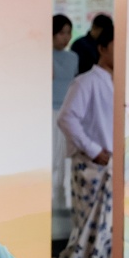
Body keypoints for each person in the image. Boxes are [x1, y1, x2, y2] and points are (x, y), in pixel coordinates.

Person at [53, 22, 114, 258]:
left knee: (115, 234)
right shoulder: (86, 81)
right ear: (102, 48)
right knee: (85, 235)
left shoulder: (125, 84)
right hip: (91, 168)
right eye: (116, 47)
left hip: (116, 169)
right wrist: (93, 150)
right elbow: (66, 118)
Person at [52, 14, 79, 218]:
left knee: (65, 158)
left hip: (68, 112)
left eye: (68, 32)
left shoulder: (73, 57)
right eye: (62, 32)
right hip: (49, 111)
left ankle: (63, 202)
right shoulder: (45, 56)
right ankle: (51, 201)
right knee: (52, 157)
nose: (66, 37)